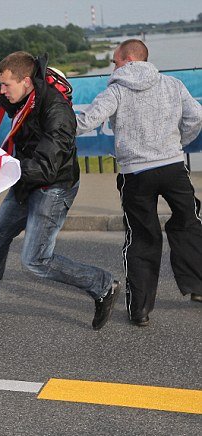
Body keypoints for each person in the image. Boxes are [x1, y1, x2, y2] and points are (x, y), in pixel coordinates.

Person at [0, 51, 120, 330]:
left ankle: (102, 284)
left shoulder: (57, 113)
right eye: (1, 84)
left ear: (26, 81)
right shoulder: (22, 90)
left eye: (7, 85)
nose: (2, 92)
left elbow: (46, 168)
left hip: (53, 187)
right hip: (26, 178)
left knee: (36, 260)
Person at [75, 39, 202, 325]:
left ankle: (140, 310)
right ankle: (198, 284)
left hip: (136, 173)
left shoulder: (116, 90)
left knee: (142, 237)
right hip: (173, 168)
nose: (113, 67)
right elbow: (196, 116)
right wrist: (178, 144)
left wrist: (52, 124)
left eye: (115, 61)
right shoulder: (173, 84)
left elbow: (87, 121)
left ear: (129, 60)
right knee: (189, 221)